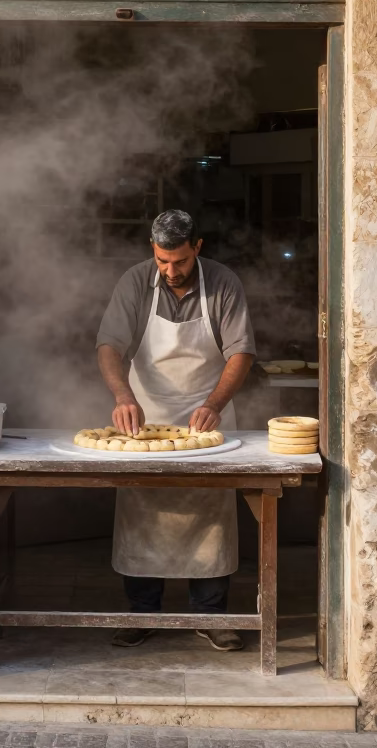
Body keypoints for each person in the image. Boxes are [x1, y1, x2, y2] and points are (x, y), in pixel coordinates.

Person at [96, 209, 256, 651]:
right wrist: (123, 397)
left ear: (198, 248)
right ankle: (143, 611)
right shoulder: (135, 282)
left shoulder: (223, 283)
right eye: (162, 260)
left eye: (180, 261)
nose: (170, 270)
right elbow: (110, 345)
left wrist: (213, 404)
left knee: (211, 515)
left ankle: (209, 615)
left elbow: (240, 351)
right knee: (143, 512)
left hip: (207, 416)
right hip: (145, 416)